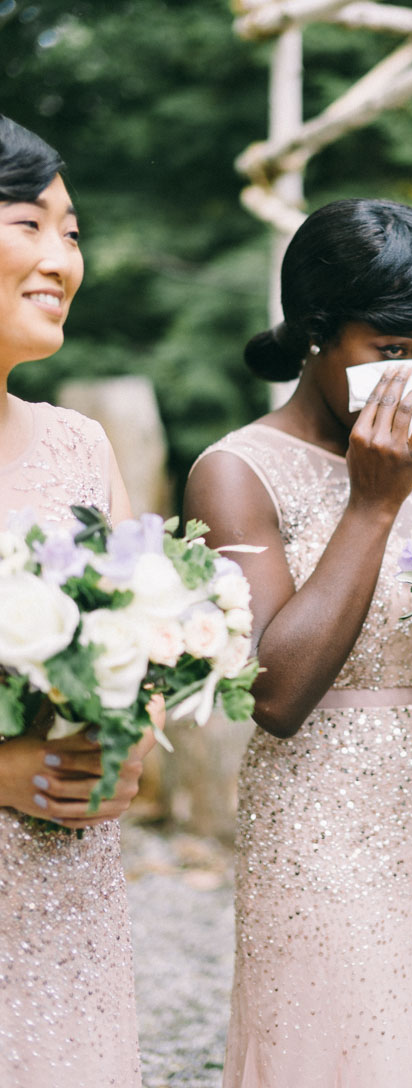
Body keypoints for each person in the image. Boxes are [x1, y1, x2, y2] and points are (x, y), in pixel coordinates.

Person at [186, 198, 412, 1087]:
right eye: (391, 353)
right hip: (320, 831)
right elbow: (276, 693)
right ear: (315, 334)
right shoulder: (233, 472)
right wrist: (372, 504)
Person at [0, 115, 150, 1087]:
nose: (61, 257)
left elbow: (156, 638)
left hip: (68, 895)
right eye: (29, 223)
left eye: (74, 232)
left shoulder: (81, 448)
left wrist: (132, 741)